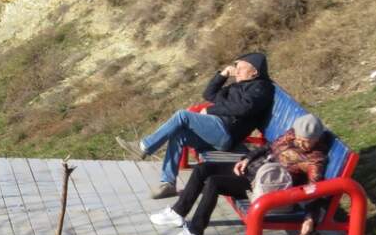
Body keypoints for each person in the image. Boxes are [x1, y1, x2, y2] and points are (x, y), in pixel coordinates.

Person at [150, 113, 330, 235]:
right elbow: (268, 147)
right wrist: (246, 159)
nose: (300, 144)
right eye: (298, 138)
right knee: (202, 169)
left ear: (316, 139)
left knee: (214, 182)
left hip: (263, 187)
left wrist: (310, 218)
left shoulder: (315, 159)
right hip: (250, 170)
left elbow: (317, 190)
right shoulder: (292, 134)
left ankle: (195, 233)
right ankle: (178, 212)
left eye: (306, 142)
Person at [117, 52, 273, 199]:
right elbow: (209, 94)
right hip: (219, 129)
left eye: (241, 68)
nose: (237, 71)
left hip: (226, 132)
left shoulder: (261, 88)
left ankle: (144, 147)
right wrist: (223, 74)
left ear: (254, 72)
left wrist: (211, 109)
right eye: (236, 68)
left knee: (183, 115)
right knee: (178, 136)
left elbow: (244, 108)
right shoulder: (238, 86)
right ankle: (168, 183)